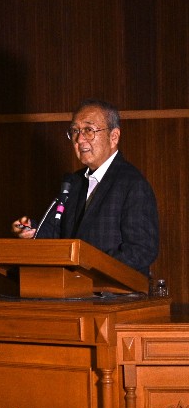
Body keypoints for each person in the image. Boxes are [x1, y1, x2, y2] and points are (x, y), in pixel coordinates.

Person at [12, 98, 159, 277]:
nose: (79, 139)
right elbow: (60, 235)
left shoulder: (132, 184)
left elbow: (142, 250)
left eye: (89, 130)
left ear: (114, 136)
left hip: (113, 296)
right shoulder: (74, 182)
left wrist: (88, 271)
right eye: (75, 131)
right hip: (74, 294)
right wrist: (33, 231)